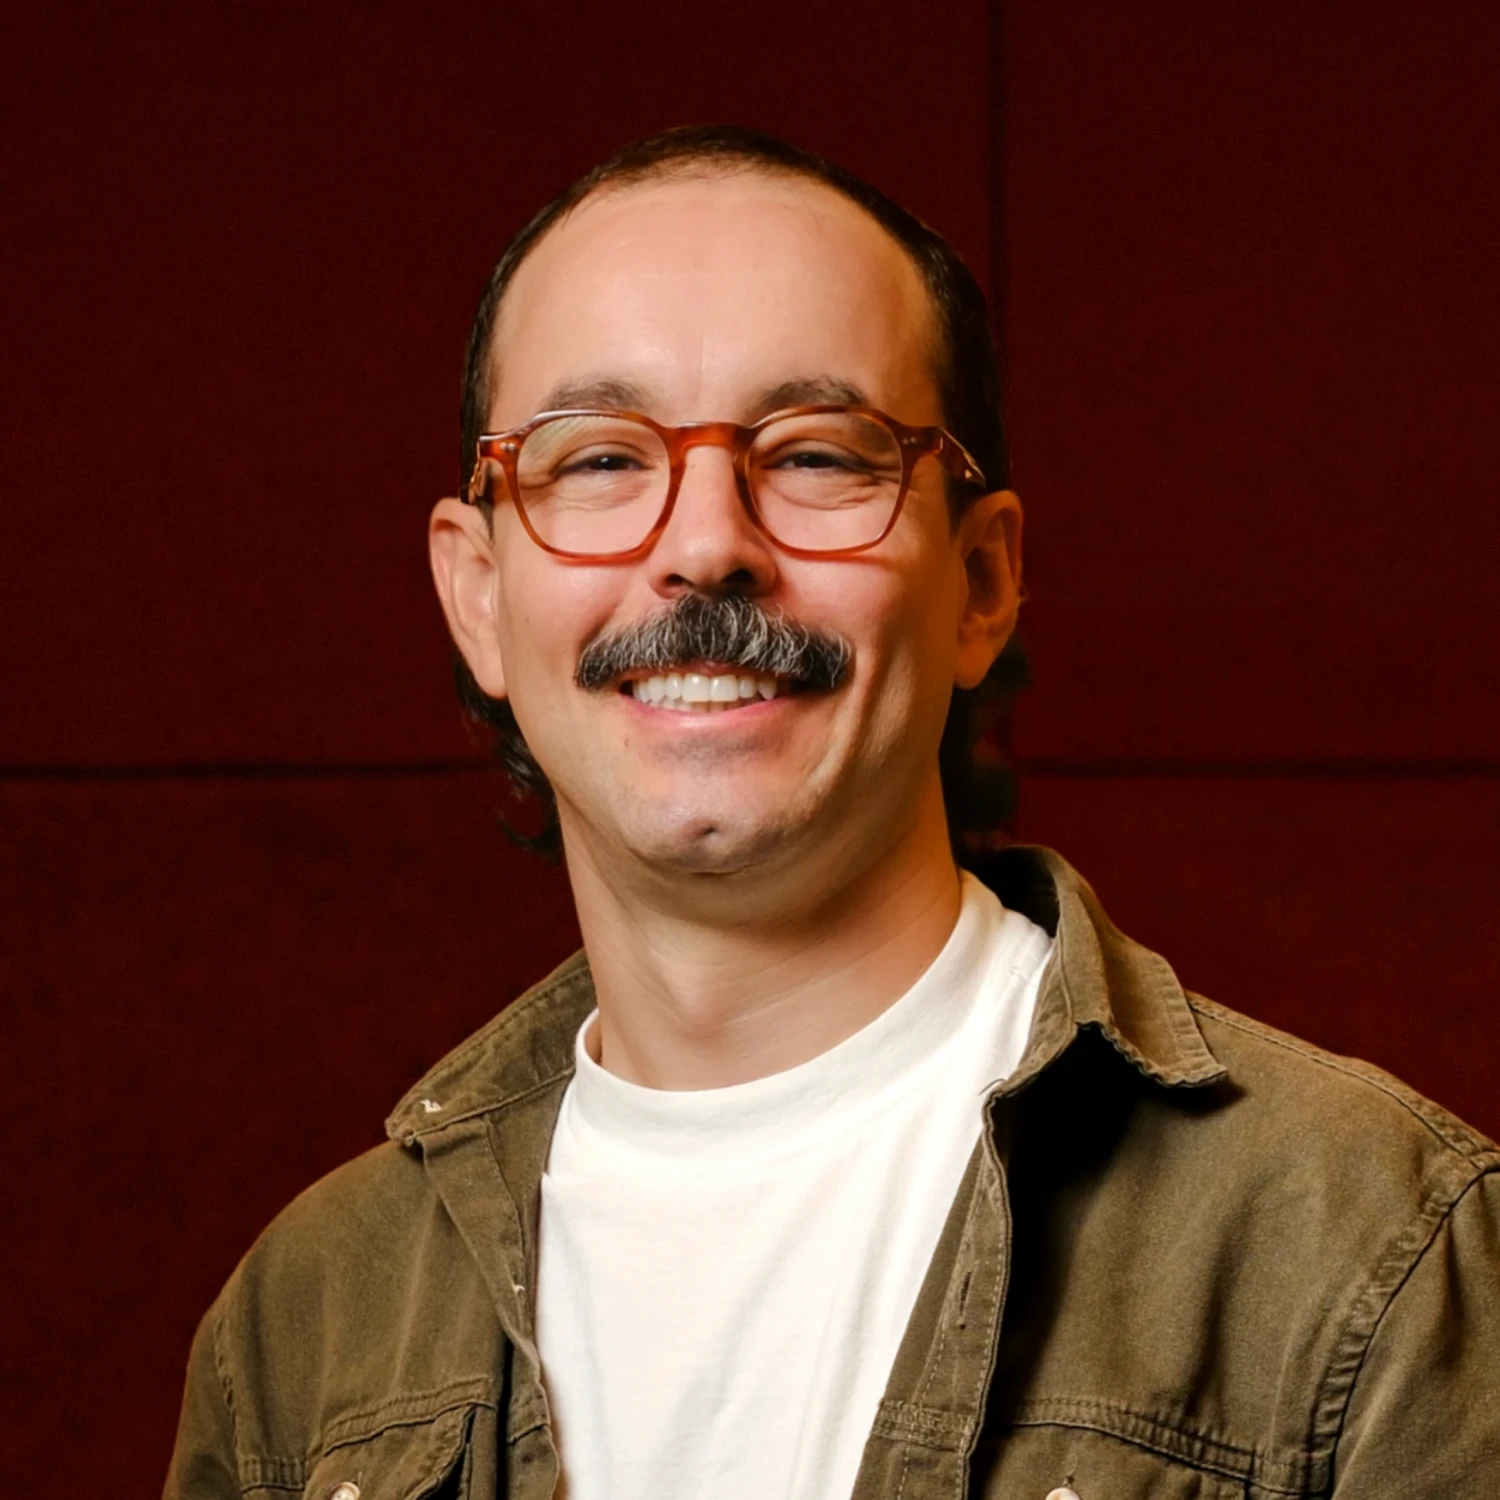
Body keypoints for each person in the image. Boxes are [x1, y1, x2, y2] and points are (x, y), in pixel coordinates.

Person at [165, 126, 1500, 1500]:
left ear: (982, 583)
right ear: (479, 600)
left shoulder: (1369, 1250)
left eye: (816, 456)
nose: (702, 545)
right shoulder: (301, 1336)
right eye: (600, 460)